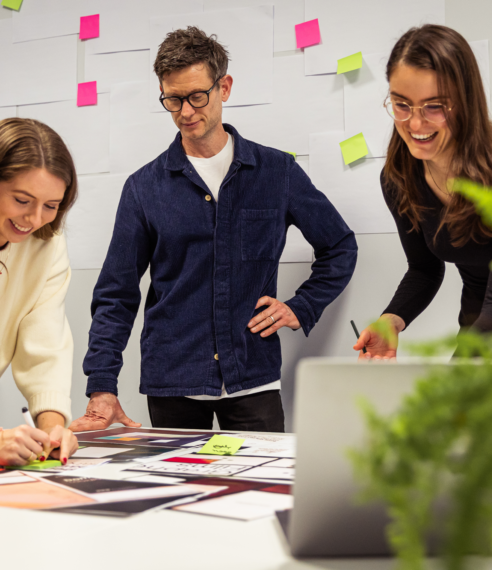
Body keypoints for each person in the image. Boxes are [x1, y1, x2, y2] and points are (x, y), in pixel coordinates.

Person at [70, 27, 357, 433]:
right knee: (178, 495)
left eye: (196, 96)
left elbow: (340, 246)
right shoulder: (143, 187)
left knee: (264, 494)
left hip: (253, 376)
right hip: (173, 382)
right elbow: (116, 293)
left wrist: (302, 306)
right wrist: (101, 384)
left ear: (224, 87)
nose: (185, 112)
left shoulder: (277, 173)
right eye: (172, 99)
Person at [353, 24, 492, 359]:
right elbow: (424, 268)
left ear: (465, 102)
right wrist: (390, 320)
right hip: (481, 319)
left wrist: (451, 382)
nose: (415, 125)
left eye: (434, 106)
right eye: (401, 105)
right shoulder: (399, 179)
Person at [0, 118, 79, 465]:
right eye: (22, 200)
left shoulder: (47, 244)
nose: (33, 219)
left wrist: (53, 428)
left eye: (51, 206)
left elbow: (45, 346)